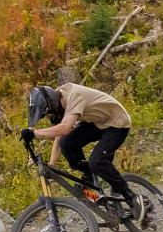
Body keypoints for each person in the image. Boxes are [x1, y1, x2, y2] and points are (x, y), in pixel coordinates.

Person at [24, 82, 141, 221]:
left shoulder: (74, 96)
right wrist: (52, 165)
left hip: (117, 122)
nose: (50, 116)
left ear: (53, 104)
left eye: (49, 112)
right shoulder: (60, 99)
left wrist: (35, 133)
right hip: (98, 122)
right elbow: (60, 137)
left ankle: (132, 197)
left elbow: (64, 128)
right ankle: (89, 176)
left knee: (96, 162)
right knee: (66, 142)